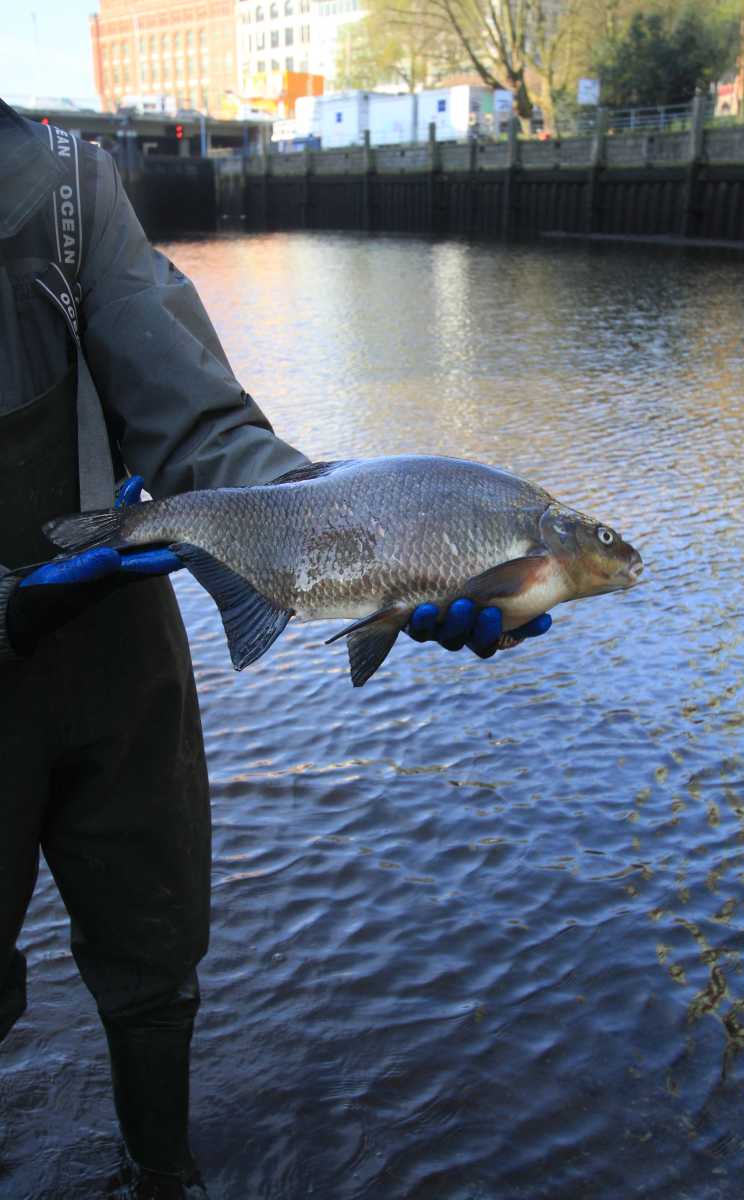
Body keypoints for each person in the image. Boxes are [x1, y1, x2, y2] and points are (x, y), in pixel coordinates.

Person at [0, 98, 551, 1200]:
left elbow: (201, 427)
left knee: (158, 961)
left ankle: (164, 1174)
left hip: (116, 642)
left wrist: (352, 519)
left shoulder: (67, 181)